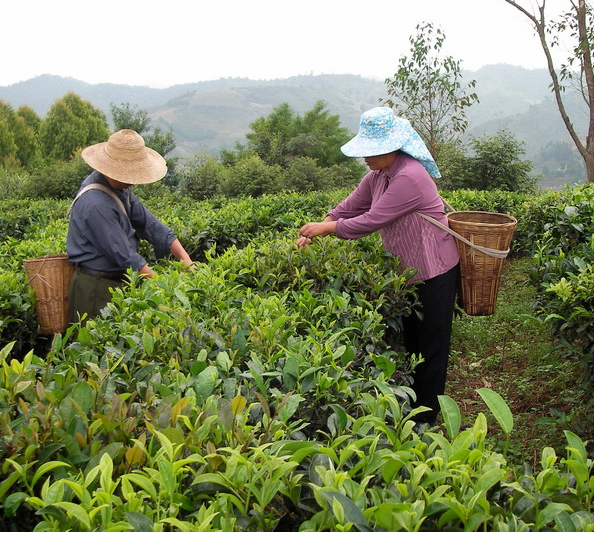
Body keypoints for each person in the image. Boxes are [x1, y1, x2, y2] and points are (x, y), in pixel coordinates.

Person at [297, 107, 459, 425]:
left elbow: (370, 220)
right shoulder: (378, 175)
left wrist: (325, 229)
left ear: (390, 147)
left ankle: (426, 418)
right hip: (407, 274)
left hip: (435, 270)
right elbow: (352, 205)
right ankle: (412, 411)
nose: (365, 158)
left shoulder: (410, 176)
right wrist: (326, 220)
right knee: (413, 342)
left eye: (370, 151)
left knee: (432, 346)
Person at [67, 129, 194, 324]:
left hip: (119, 281)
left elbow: (150, 224)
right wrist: (164, 287)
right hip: (95, 288)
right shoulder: (96, 203)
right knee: (94, 347)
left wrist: (186, 260)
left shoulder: (119, 188)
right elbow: (123, 254)